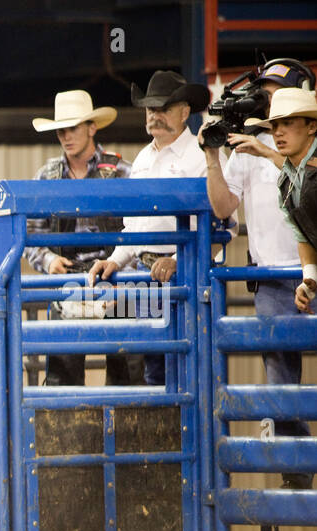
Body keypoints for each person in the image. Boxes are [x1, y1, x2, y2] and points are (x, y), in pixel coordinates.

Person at [205, 61, 317, 500]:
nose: (268, 99)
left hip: (304, 270)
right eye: (268, 93)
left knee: (280, 373)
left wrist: (266, 149)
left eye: (278, 94)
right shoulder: (248, 148)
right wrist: (213, 155)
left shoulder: (296, 148)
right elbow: (223, 208)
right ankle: (298, 465)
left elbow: (304, 181)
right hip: (276, 274)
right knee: (278, 378)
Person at [88, 71, 211, 385]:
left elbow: (217, 226)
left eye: (164, 108)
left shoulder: (200, 158)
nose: (155, 115)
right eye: (150, 109)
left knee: (175, 369)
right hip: (145, 274)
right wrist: (115, 260)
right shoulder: (143, 158)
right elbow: (135, 226)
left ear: (184, 112)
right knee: (147, 368)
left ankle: (173, 432)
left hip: (180, 276)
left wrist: (178, 259)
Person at [26, 90, 135, 386]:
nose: (65, 136)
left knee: (126, 371)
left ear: (91, 127)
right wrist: (48, 260)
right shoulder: (46, 175)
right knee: (63, 373)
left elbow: (139, 227)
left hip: (119, 279)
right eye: (61, 130)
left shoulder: (123, 172)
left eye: (72, 128)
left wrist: (122, 264)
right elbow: (31, 232)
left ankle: (126, 427)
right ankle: (67, 429)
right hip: (68, 278)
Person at [249, 87, 317, 312]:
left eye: (288, 123)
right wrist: (310, 278)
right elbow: (304, 235)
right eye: (275, 125)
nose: (278, 132)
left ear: (312, 126)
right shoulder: (287, 181)